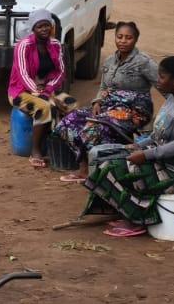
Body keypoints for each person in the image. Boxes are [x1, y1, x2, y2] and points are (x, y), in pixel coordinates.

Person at [83, 55, 174, 239]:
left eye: (162, 77)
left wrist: (146, 155)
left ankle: (139, 219)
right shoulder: (173, 98)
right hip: (166, 160)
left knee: (112, 169)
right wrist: (137, 146)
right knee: (108, 159)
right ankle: (127, 212)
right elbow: (157, 135)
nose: (158, 81)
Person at [53, 21, 158, 183]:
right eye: (119, 37)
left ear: (136, 39)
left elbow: (164, 84)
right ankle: (83, 167)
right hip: (107, 107)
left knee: (93, 129)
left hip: (133, 112)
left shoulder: (144, 62)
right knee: (68, 122)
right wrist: (97, 102)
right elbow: (103, 86)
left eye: (128, 38)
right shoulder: (109, 60)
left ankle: (96, 171)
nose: (123, 41)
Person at [7, 9, 66, 168]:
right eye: (40, 26)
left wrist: (48, 89)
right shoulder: (23, 46)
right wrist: (38, 92)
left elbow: (60, 72)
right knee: (43, 108)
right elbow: (22, 74)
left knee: (70, 105)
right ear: (33, 28)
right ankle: (35, 150)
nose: (44, 29)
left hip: (48, 89)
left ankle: (61, 147)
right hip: (20, 91)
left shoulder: (55, 45)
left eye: (47, 25)